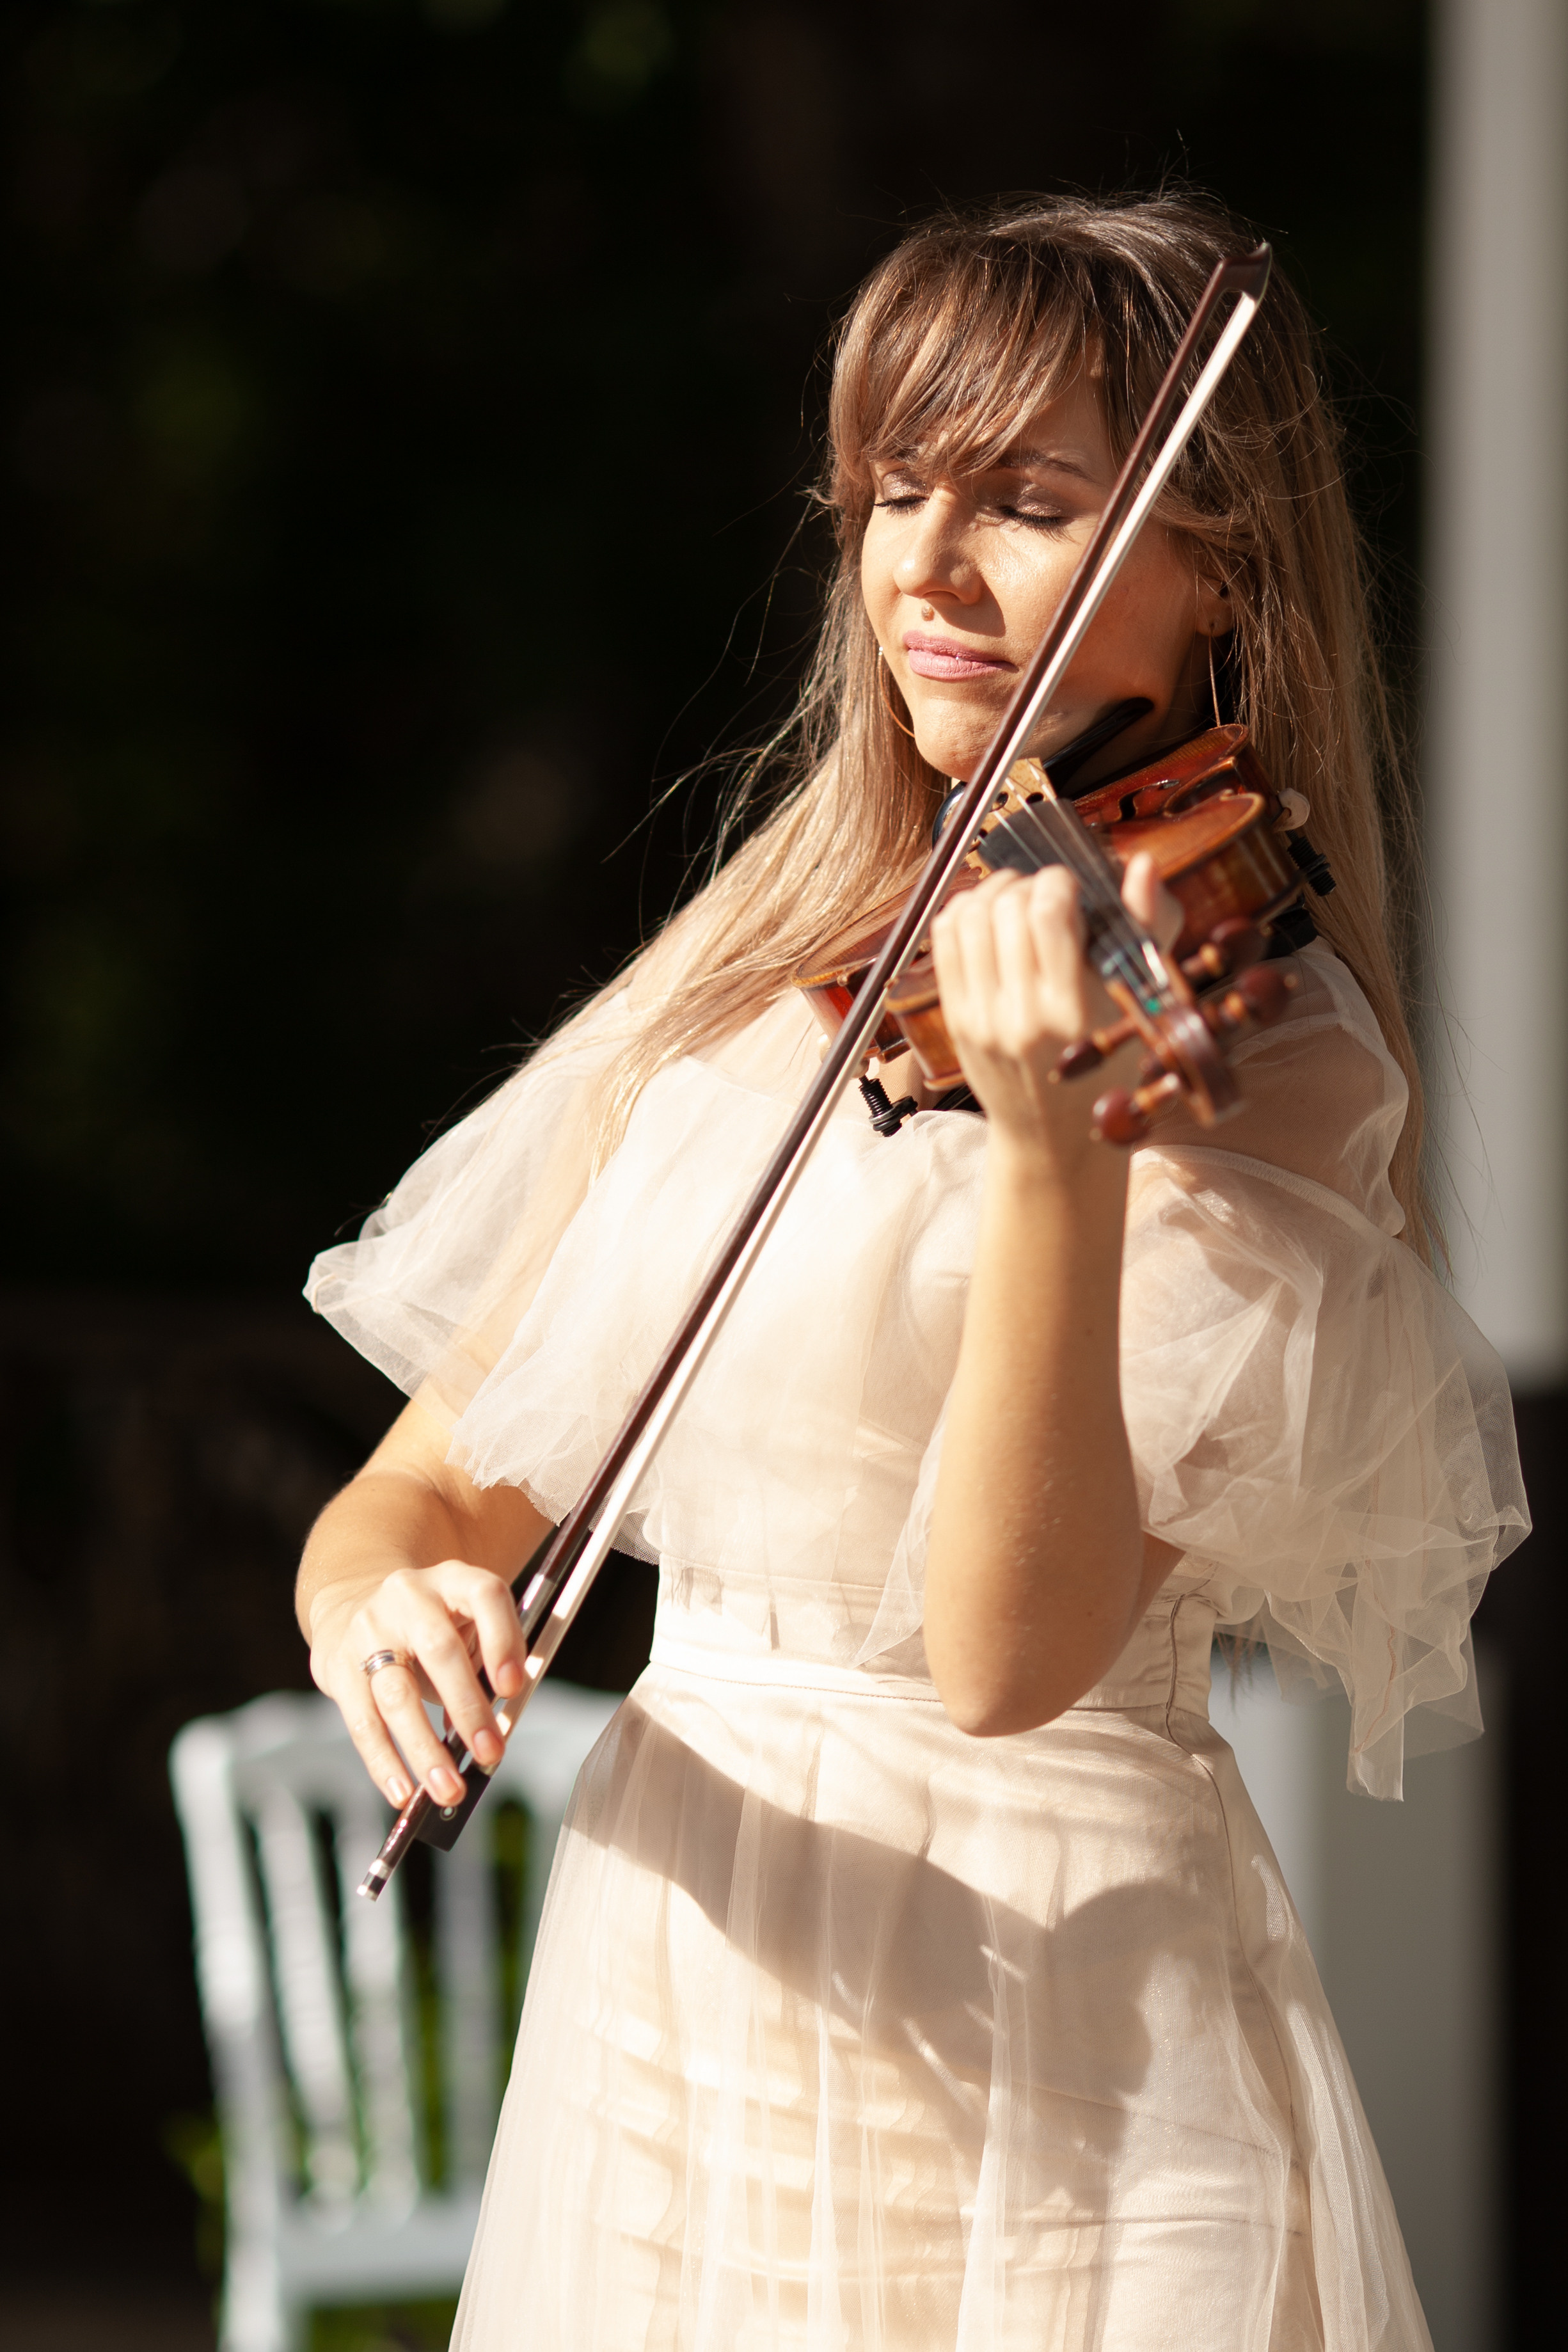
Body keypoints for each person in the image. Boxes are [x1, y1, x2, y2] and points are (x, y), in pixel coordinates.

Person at [296, 194, 1526, 2351]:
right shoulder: (769, 948)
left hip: (1056, 1986)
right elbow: (430, 1493)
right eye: (891, 492)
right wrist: (374, 1600)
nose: (928, 570)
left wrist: (1053, 1155)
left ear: (1214, 559)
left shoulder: (1257, 1043)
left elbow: (1002, 1649)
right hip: (689, 1985)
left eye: (1031, 504)